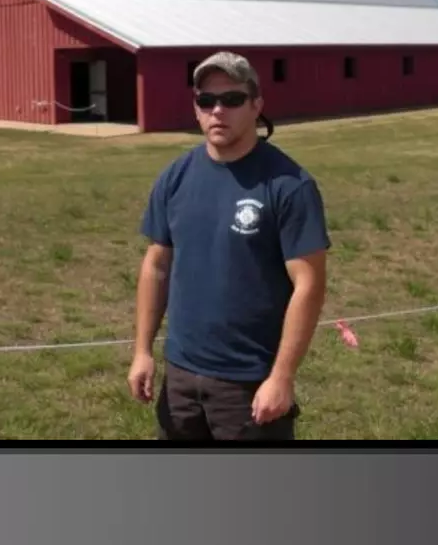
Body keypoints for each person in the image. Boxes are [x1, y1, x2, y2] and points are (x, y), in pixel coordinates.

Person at [129, 53, 330, 441]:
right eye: (207, 100)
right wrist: (142, 352)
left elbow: (310, 285)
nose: (218, 110)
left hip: (249, 386)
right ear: (196, 108)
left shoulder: (289, 185)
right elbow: (157, 265)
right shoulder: (175, 176)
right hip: (181, 378)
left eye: (232, 100)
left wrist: (281, 378)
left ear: (257, 105)